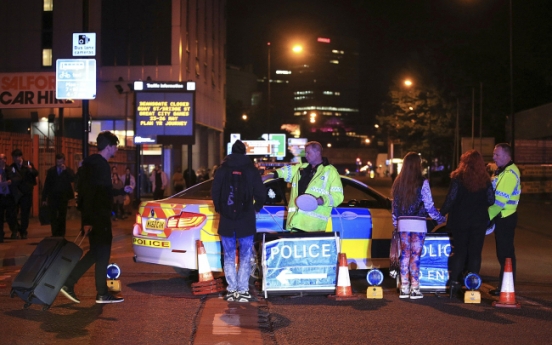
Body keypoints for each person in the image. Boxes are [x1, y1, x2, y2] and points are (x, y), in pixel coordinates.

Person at [60, 131, 124, 304]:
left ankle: (74, 284)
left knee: (97, 253)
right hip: (98, 217)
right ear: (109, 147)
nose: (116, 149)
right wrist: (89, 220)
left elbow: (86, 193)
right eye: (115, 146)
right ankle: (98, 292)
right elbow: (96, 193)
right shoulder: (101, 166)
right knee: (101, 252)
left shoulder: (89, 164)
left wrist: (86, 219)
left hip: (93, 216)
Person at [211, 140, 266, 302]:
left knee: (228, 255)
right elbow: (261, 193)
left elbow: (215, 192)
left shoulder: (222, 169)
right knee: (245, 254)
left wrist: (220, 209)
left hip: (227, 220)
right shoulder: (251, 170)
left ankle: (231, 290)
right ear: (244, 152)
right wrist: (255, 208)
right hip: (246, 219)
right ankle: (243, 290)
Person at [439, 150, 494, 298]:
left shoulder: (458, 178)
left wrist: (441, 214)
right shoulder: (485, 179)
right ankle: (472, 284)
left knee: (460, 252)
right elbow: (491, 200)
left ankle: (453, 284)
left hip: (460, 221)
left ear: (464, 162)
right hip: (479, 221)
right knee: (475, 253)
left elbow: (451, 199)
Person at [392, 152, 445, 299]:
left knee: (404, 255)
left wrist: (395, 224)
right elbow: (429, 206)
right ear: (418, 165)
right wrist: (440, 218)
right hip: (418, 223)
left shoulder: (398, 182)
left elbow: (394, 206)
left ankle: (404, 287)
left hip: (403, 223)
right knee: (415, 256)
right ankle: (415, 288)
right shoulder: (423, 182)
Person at [262, 141, 344, 232]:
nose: (306, 155)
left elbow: (338, 196)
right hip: (295, 222)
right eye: (305, 152)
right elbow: (285, 171)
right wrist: (268, 176)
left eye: (308, 152)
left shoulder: (331, 172)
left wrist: (321, 200)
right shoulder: (301, 168)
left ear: (318, 153)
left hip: (313, 226)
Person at [488, 143, 521, 296]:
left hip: (505, 217)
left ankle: (506, 286)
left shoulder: (508, 174)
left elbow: (499, 202)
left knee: (505, 253)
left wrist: (485, 218)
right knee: (504, 253)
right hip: (503, 217)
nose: (494, 157)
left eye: (497, 155)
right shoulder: (502, 171)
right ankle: (505, 285)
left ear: (507, 156)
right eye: (494, 154)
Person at [41, 153, 76, 237]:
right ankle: (54, 233)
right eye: (58, 161)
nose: (59, 163)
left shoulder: (68, 170)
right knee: (53, 215)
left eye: (61, 161)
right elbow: (47, 184)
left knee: (62, 215)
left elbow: (73, 179)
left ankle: (61, 233)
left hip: (63, 196)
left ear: (64, 161)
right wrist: (44, 198)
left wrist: (66, 171)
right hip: (53, 196)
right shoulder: (51, 171)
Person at [9, 149, 39, 239]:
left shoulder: (28, 164)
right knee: (12, 213)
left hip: (26, 192)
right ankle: (17, 229)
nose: (16, 159)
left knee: (25, 213)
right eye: (14, 157)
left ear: (21, 156)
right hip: (16, 193)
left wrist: (30, 169)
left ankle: (23, 231)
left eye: (17, 157)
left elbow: (36, 173)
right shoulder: (12, 166)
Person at [0, 153, 17, 243]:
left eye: (2, 159)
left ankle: (14, 231)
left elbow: (16, 177)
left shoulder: (10, 169)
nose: (0, 161)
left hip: (9, 195)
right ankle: (0, 235)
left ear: (5, 160)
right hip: (0, 195)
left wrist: (11, 181)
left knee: (11, 215)